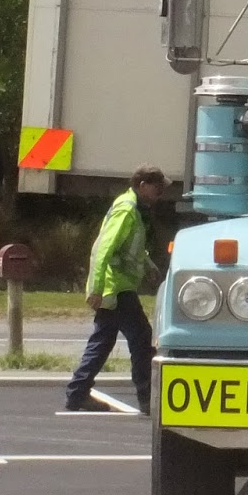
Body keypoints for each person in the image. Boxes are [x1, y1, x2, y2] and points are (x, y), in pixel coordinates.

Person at [63, 164, 166, 414]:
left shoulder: (133, 209)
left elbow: (131, 248)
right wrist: (96, 289)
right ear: (143, 186)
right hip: (116, 289)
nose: (160, 192)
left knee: (102, 341)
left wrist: (149, 266)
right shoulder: (127, 210)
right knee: (142, 339)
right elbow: (104, 249)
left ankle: (77, 393)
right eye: (157, 187)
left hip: (117, 287)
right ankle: (147, 397)